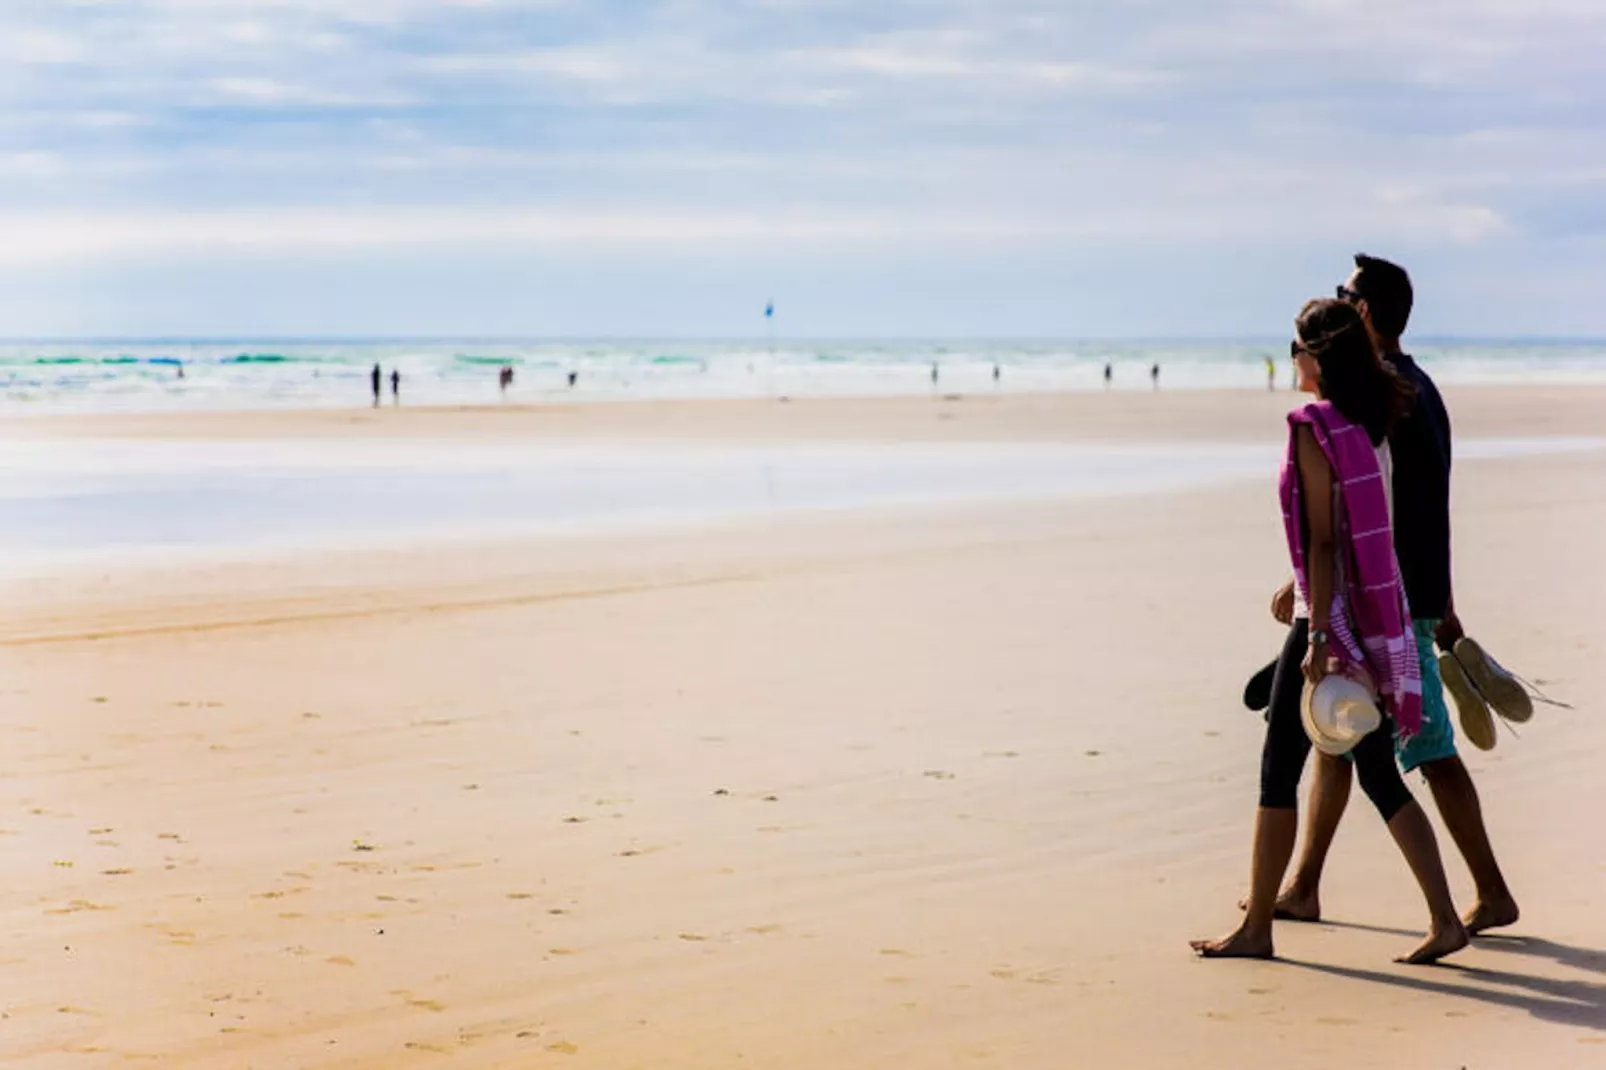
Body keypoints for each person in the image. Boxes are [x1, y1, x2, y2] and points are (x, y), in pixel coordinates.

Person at [1192, 298, 1467, 964]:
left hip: (1329, 623)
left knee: (1278, 768)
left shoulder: (1313, 425)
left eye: (1296, 348)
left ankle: (1259, 927)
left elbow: (1321, 536)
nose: (1292, 360)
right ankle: (1441, 917)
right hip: (1368, 613)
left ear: (1317, 357)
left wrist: (1317, 636)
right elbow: (1353, 526)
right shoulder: (1369, 420)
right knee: (1375, 773)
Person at [1270, 255, 1518, 935]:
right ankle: (1303, 885)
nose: (1339, 299)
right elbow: (1425, 502)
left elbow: (1380, 509)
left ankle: (1491, 892)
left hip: (1392, 607)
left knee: (1428, 749)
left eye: (1347, 295)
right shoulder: (1418, 387)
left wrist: (1418, 605)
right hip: (1406, 596)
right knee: (1336, 734)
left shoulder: (1390, 395)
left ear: (1366, 312)